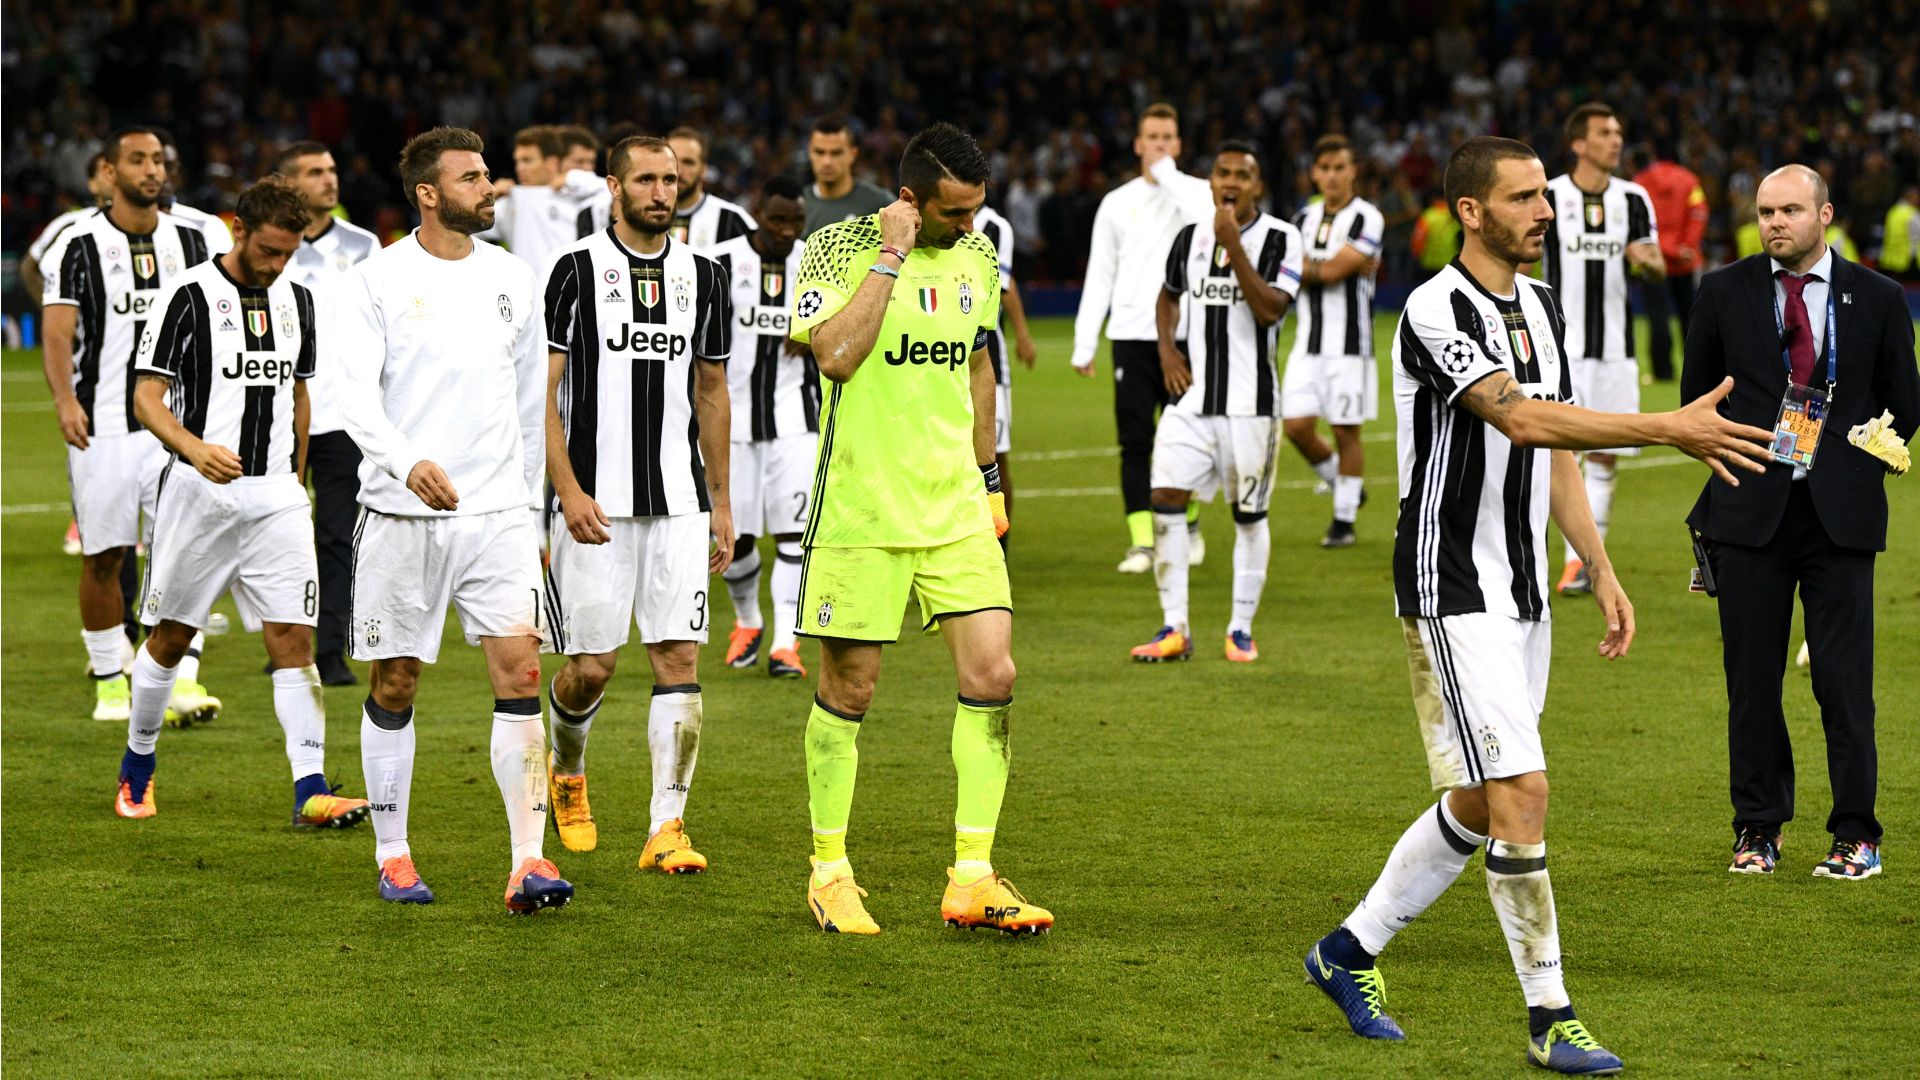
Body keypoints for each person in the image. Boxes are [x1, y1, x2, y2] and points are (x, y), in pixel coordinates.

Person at [1303, 136, 1773, 1073]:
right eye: (1523, 199)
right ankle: (1549, 1016)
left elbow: (1553, 445)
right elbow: (1517, 415)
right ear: (1471, 212)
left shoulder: (1545, 304)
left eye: (1544, 199)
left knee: (1481, 800)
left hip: (1523, 587)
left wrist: (1595, 563)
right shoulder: (1435, 308)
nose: (1544, 213)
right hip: (1450, 583)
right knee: (1525, 792)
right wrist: (1664, 428)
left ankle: (1346, 950)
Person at [788, 122, 1051, 936]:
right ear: (908, 202)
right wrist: (891, 258)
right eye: (954, 213)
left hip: (955, 509)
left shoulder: (978, 256)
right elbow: (834, 354)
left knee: (994, 676)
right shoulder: (833, 251)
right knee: (850, 689)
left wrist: (990, 474)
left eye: (978, 210)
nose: (970, 226)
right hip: (862, 509)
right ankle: (829, 871)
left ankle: (972, 875)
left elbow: (978, 361)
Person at [335, 127, 570, 913]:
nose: (490, 188)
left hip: (499, 513)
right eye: (471, 178)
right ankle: (393, 852)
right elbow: (354, 398)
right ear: (428, 194)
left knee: (522, 673)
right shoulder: (376, 280)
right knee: (397, 681)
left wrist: (534, 513)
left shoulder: (513, 277)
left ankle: (529, 862)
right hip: (403, 513)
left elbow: (532, 397)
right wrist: (407, 463)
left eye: (489, 174)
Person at [1683, 164, 1920, 880]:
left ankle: (1857, 836)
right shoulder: (1722, 292)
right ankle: (1757, 829)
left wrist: (1861, 465)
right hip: (1750, 509)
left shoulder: (1878, 296)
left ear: (1826, 215)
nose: (1774, 222)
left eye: (1789, 209)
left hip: (1840, 518)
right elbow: (1698, 400)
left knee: (1843, 685)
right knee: (1752, 683)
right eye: (1764, 211)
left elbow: (1905, 403)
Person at [115, 175, 370, 830]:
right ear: (238, 231)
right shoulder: (187, 296)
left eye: (288, 253)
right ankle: (137, 766)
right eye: (268, 252)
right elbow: (146, 396)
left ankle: (310, 790)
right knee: (172, 637)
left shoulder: (299, 302)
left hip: (276, 499)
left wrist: (296, 475)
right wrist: (193, 448)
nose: (278, 264)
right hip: (199, 495)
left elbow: (300, 396)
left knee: (295, 641)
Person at [540, 135, 735, 866]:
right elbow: (546, 393)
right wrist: (566, 489)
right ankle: (567, 771)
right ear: (616, 188)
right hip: (595, 502)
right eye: (646, 179)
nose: (662, 190)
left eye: (672, 178)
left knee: (678, 655)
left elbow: (711, 391)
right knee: (591, 666)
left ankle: (666, 826)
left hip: (679, 501)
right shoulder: (575, 270)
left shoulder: (707, 276)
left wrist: (720, 499)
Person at [40, 127, 221, 727]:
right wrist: (66, 399)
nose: (151, 170)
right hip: (106, 427)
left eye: (157, 160)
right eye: (137, 160)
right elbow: (59, 331)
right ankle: (109, 680)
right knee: (104, 555)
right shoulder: (77, 242)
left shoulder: (194, 241)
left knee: (188, 552)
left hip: (177, 428)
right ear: (110, 173)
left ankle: (180, 680)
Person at [1131, 141, 1301, 664]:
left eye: (1242, 176)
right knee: (1165, 498)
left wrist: (1236, 247)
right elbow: (1168, 295)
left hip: (1252, 406)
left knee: (1248, 517)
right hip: (1193, 399)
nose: (1230, 183)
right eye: (1222, 173)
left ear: (1258, 186)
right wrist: (1166, 352)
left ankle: (1240, 629)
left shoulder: (1282, 239)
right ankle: (1174, 627)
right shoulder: (1190, 238)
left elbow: (1272, 310)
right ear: (1211, 182)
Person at [1071, 103, 1216, 573]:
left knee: (1187, 441)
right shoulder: (1117, 202)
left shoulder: (1196, 193)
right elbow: (1101, 272)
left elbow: (1208, 219)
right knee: (1135, 442)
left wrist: (1169, 174)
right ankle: (1142, 543)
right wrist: (1085, 340)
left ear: (1178, 144)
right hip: (1132, 337)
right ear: (1136, 144)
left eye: (1167, 137)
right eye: (1151, 137)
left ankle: (1189, 529)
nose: (1158, 145)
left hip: (1185, 336)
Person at [1544, 105, 1664, 595]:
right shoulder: (1548, 195)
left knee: (1605, 457)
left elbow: (1656, 266)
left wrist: (1648, 261)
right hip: (1560, 348)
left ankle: (1582, 565)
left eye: (1618, 132)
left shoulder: (1634, 200)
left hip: (1615, 348)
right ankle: (1545, 554)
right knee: (1553, 456)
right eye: (1604, 133)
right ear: (1579, 144)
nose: (1616, 140)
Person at [276, 140, 380, 686]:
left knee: (337, 534)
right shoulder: (271, 246)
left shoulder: (363, 246)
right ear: (290, 184)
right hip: (275, 415)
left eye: (332, 169)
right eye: (315, 172)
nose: (329, 180)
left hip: (340, 416)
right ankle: (284, 643)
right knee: (277, 533)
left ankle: (331, 649)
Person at [710, 177, 816, 678]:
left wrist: (817, 338)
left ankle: (785, 644)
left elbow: (849, 326)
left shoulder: (816, 264)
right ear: (757, 211)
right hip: (730, 423)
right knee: (739, 538)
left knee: (795, 536)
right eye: (777, 219)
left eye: (795, 221)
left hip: (796, 419)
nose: (787, 230)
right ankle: (748, 621)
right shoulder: (720, 263)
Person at [1282, 134, 1385, 549]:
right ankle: (1346, 488)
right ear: (1314, 173)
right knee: (1296, 427)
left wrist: (1308, 266)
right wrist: (1327, 265)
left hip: (1349, 345)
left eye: (1339, 168)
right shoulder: (1300, 219)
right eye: (1324, 169)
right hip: (1307, 343)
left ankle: (1343, 522)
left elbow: (1325, 273)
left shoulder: (1367, 217)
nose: (1332, 176)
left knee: (1346, 432)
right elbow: (1290, 269)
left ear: (1353, 171)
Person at [970, 197, 1038, 538]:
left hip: (986, 355)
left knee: (994, 457)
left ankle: (999, 545)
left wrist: (1022, 335)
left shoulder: (995, 228)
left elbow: (1004, 287)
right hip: (938, 356)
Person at [483, 125, 609, 274]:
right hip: (527, 291)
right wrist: (488, 197)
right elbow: (468, 228)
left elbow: (614, 193)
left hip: (576, 288)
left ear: (552, 163)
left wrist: (571, 177)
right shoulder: (514, 198)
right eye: (518, 161)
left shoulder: (582, 195)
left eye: (527, 160)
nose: (519, 168)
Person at [1631, 147, 1708, 382]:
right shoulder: (1689, 179)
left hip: (1655, 261)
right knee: (1691, 318)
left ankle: (1663, 372)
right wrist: (1687, 246)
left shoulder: (1639, 183)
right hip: (1685, 261)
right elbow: (1699, 212)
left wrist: (1663, 249)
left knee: (1657, 316)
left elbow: (1636, 220)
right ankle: (1698, 371)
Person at [22, 151, 112, 302]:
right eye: (106, 171)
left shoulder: (155, 223)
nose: (113, 178)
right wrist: (52, 313)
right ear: (92, 184)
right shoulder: (70, 223)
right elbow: (28, 269)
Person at [801, 116, 893, 238]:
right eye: (819, 152)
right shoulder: (797, 206)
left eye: (836, 153)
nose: (827, 161)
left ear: (853, 154)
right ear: (809, 153)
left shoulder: (881, 205)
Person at [666, 126, 756, 250]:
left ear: (703, 170)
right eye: (672, 160)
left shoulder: (732, 219)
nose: (679, 171)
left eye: (688, 162)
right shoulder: (641, 216)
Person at [1880, 184, 1918, 282]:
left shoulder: (1893, 211)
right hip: (1906, 261)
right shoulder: (1912, 213)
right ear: (1910, 197)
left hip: (1890, 259)